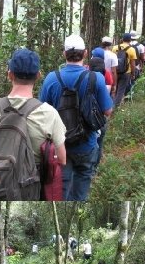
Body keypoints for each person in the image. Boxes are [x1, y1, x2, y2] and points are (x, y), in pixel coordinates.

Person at [0, 47, 67, 196]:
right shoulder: (49, 113)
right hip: (28, 187)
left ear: (9, 74)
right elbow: (62, 159)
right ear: (38, 76)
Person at [39, 35, 113, 200]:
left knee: (62, 187)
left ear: (64, 54)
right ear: (85, 53)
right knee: (82, 185)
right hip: (87, 144)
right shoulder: (96, 78)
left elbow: (41, 113)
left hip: (59, 146)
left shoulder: (51, 78)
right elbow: (108, 111)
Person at [113, 33, 137, 107]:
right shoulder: (131, 50)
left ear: (122, 39)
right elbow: (133, 64)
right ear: (130, 40)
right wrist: (133, 74)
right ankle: (115, 107)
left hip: (115, 71)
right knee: (121, 90)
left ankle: (112, 103)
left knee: (115, 89)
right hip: (126, 72)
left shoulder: (115, 48)